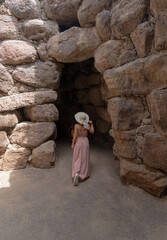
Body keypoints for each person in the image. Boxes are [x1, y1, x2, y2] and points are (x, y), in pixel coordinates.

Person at [71, 112, 94, 186]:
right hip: (85, 142)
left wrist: (73, 143)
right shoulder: (86, 125)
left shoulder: (76, 126)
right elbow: (92, 131)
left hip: (79, 142)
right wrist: (91, 124)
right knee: (84, 158)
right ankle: (83, 174)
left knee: (77, 157)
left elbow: (75, 135)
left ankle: (77, 173)